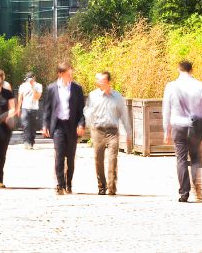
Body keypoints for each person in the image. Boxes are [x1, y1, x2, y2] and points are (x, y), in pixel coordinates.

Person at [162, 61, 202, 203]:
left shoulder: (171, 86)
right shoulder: (201, 86)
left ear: (178, 69)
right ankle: (197, 187)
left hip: (178, 126)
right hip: (195, 127)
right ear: (191, 70)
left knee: (181, 159)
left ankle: (184, 193)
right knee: (196, 158)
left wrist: (166, 131)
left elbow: (166, 110)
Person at [83, 71, 132, 196]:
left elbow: (124, 115)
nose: (98, 82)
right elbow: (87, 111)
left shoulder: (117, 97)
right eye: (97, 80)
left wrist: (128, 133)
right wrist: (88, 125)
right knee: (98, 160)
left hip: (112, 131)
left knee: (112, 159)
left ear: (108, 82)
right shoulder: (93, 95)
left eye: (101, 80)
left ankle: (112, 187)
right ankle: (101, 186)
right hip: (98, 131)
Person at [41, 62, 86, 195]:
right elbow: (47, 109)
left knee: (70, 157)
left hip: (72, 126)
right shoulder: (51, 88)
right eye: (67, 74)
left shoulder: (77, 88)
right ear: (60, 74)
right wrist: (45, 125)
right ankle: (60, 184)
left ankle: (69, 183)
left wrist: (81, 124)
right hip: (58, 125)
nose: (70, 76)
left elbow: (81, 110)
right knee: (59, 155)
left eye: (71, 74)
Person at [17, 72, 43, 150]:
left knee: (33, 126)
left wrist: (32, 87)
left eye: (30, 79)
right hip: (25, 108)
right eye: (27, 79)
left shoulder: (38, 86)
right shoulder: (23, 86)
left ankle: (32, 142)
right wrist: (18, 108)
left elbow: (37, 97)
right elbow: (20, 97)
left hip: (34, 108)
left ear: (33, 78)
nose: (28, 81)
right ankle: (26, 142)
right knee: (26, 125)